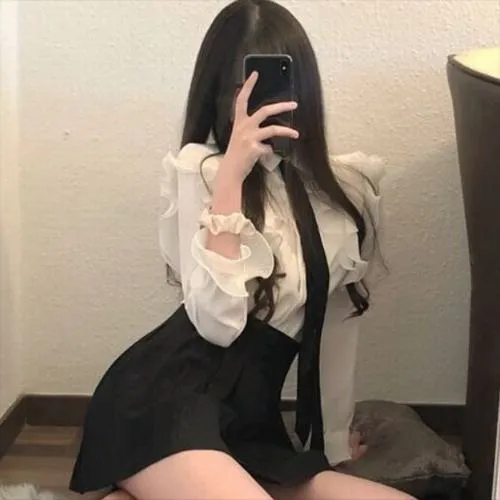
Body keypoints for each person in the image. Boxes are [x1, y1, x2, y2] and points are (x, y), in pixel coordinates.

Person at [70, 1, 415, 499]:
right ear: (218, 94)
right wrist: (231, 177)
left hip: (251, 423)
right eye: (244, 88)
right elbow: (218, 323)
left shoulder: (348, 187)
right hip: (166, 402)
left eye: (278, 81)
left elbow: (339, 323)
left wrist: (334, 442)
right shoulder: (200, 172)